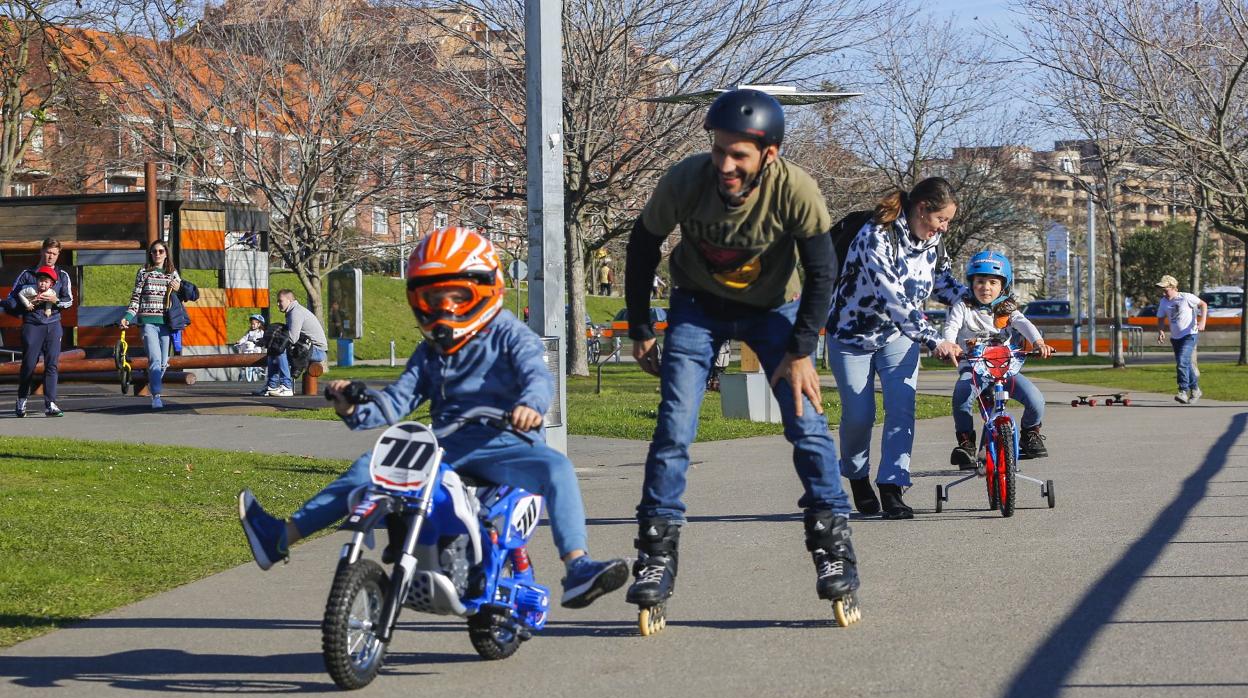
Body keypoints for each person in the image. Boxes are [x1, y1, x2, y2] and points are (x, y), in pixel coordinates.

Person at [239, 227, 628, 608]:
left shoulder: (510, 334)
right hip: (448, 445)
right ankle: (279, 537)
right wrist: (353, 409)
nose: (443, 309)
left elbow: (537, 376)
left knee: (557, 467)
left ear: (485, 289)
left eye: (455, 296)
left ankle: (577, 567)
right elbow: (397, 401)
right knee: (371, 468)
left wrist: (530, 405)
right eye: (432, 297)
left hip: (507, 443)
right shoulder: (431, 352)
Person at [622, 88, 858, 611]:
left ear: (767, 155)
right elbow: (641, 246)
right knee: (675, 424)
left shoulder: (795, 188)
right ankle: (657, 551)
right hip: (696, 306)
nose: (725, 165)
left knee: (805, 421)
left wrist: (800, 351)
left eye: (739, 155)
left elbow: (823, 273)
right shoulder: (686, 179)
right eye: (719, 149)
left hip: (773, 310)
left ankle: (833, 543)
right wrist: (641, 324)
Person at [825, 177, 964, 519]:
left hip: (898, 338)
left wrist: (985, 300)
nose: (943, 228)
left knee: (901, 410)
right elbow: (895, 300)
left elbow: (943, 285)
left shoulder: (933, 243)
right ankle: (857, 477)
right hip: (851, 335)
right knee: (860, 416)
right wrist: (935, 340)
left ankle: (892, 486)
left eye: (947, 221)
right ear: (921, 209)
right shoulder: (876, 236)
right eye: (941, 220)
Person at [943, 252, 1057, 467]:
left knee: (1036, 401)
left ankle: (1029, 434)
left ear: (1003, 285)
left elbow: (1023, 323)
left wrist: (1039, 342)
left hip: (1004, 369)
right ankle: (966, 444)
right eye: (980, 281)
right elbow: (951, 326)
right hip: (974, 369)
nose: (986, 287)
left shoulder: (1006, 308)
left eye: (993, 282)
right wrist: (950, 343)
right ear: (971, 283)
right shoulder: (963, 306)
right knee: (961, 397)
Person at [120, 240, 198, 410]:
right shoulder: (143, 272)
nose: (157, 254)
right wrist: (128, 316)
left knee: (163, 362)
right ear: (150, 254)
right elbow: (136, 298)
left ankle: (154, 381)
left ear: (166, 253)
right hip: (148, 323)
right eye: (154, 251)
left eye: (161, 251)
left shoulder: (172, 273)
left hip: (166, 324)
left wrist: (179, 288)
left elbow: (186, 294)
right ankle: (156, 395)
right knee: (155, 359)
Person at [4, 239, 73, 417]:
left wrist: (55, 301)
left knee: (52, 365)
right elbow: (11, 299)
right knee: (28, 364)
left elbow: (69, 301)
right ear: (42, 251)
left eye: (55, 254)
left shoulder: (62, 275)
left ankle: (50, 403)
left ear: (58, 255)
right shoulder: (27, 274)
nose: (51, 257)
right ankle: (21, 400)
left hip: (53, 324)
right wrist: (25, 303)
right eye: (48, 252)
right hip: (32, 325)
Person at [256, 288, 328, 397]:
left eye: (280, 301)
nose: (278, 304)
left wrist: (271, 341)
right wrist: (267, 342)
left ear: (289, 300)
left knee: (280, 350)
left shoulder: (296, 312)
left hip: (318, 351)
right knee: (274, 350)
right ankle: (272, 386)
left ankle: (286, 387)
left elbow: (292, 338)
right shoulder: (293, 311)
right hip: (306, 347)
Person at [1155, 274, 1208, 404]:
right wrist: (1161, 331)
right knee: (1186, 363)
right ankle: (1195, 389)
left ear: (1173, 287)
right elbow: (1161, 318)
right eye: (1162, 289)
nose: (1164, 292)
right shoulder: (1164, 302)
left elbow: (1203, 304)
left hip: (1190, 334)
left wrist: (1202, 322)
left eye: (1165, 289)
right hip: (1176, 337)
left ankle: (1183, 391)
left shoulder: (1186, 297)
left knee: (1181, 361)